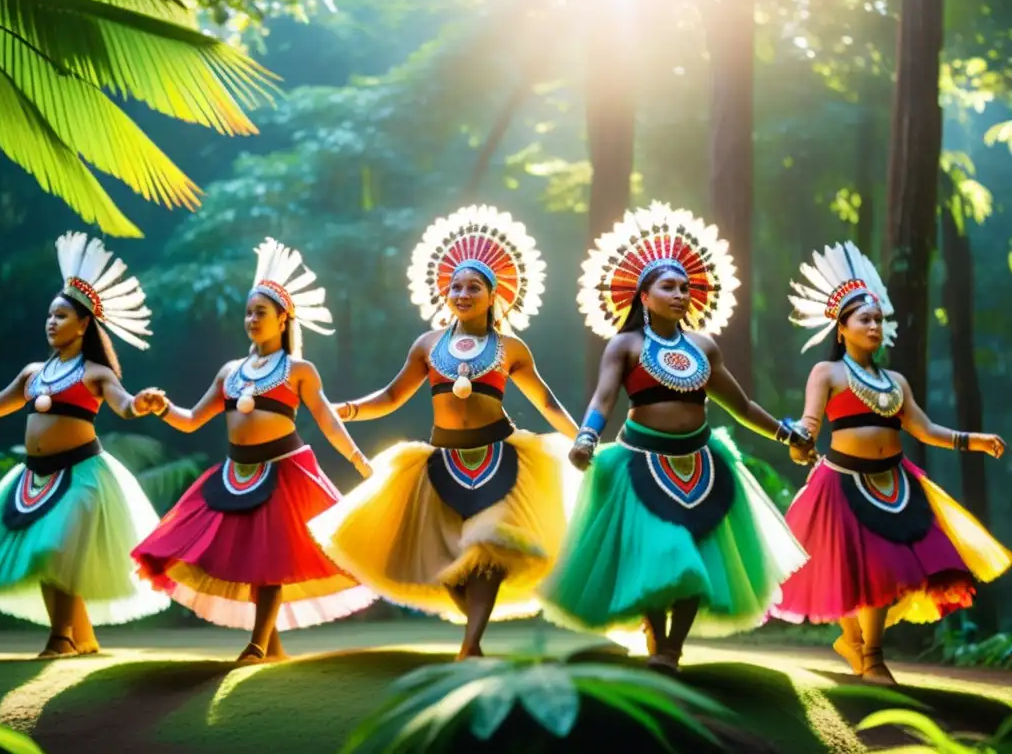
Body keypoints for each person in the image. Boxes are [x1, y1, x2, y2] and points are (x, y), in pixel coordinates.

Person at [539, 201, 812, 674]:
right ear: (643, 296)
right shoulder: (625, 345)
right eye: (668, 286)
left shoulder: (705, 347)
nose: (680, 293)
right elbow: (604, 400)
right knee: (657, 553)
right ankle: (657, 637)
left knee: (696, 554)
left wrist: (786, 432)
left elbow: (741, 407)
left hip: (702, 463)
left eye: (685, 287)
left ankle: (671, 650)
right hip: (639, 462)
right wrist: (586, 437)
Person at [318, 205, 580, 660]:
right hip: (441, 460)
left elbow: (547, 401)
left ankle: (471, 644)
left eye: (473, 286)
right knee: (444, 561)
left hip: (502, 456)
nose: (462, 293)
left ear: (492, 295)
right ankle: (471, 632)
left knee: (491, 546)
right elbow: (392, 396)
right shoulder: (427, 344)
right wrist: (349, 409)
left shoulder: (510, 347)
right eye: (455, 286)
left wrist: (583, 438)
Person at [771, 240, 1010, 685]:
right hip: (841, 483)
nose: (875, 326)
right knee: (850, 570)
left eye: (879, 319)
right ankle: (861, 649)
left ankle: (872, 652)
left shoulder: (894, 380)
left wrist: (972, 440)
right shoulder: (828, 374)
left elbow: (923, 429)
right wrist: (799, 440)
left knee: (882, 568)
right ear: (841, 328)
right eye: (865, 319)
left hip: (895, 483)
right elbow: (809, 423)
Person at [131, 238, 376, 663]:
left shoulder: (300, 370)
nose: (251, 319)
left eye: (260, 312)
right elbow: (191, 420)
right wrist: (161, 407)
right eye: (248, 312)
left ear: (283, 319)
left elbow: (328, 421)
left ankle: (257, 645)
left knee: (270, 562)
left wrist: (358, 461)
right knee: (243, 560)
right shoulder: (230, 372)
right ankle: (272, 649)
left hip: (285, 473)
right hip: (236, 473)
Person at [0, 232, 169, 658]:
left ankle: (61, 637)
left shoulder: (95, 373)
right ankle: (81, 637)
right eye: (50, 315)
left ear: (84, 324)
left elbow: (123, 405)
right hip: (33, 476)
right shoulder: (34, 372)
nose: (52, 322)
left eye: (63, 316)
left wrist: (140, 403)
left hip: (82, 475)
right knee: (45, 551)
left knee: (56, 546)